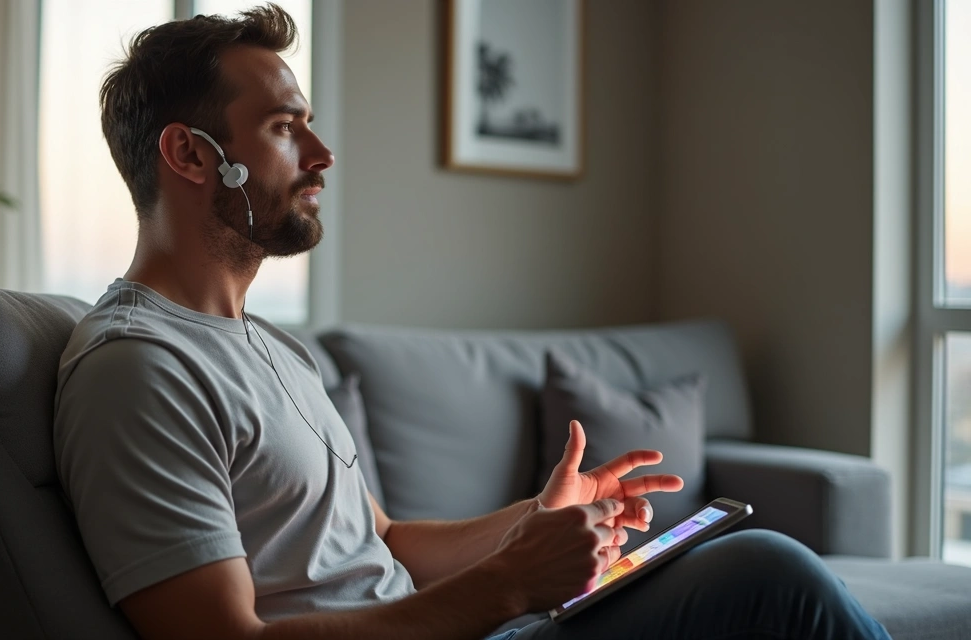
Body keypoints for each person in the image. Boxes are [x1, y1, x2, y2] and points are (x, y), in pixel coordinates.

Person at [52, 5, 892, 639]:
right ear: (191, 155)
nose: (321, 154)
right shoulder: (140, 369)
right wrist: (510, 586)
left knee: (735, 565)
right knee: (764, 572)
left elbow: (383, 541)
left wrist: (532, 526)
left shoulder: (270, 348)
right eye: (283, 127)